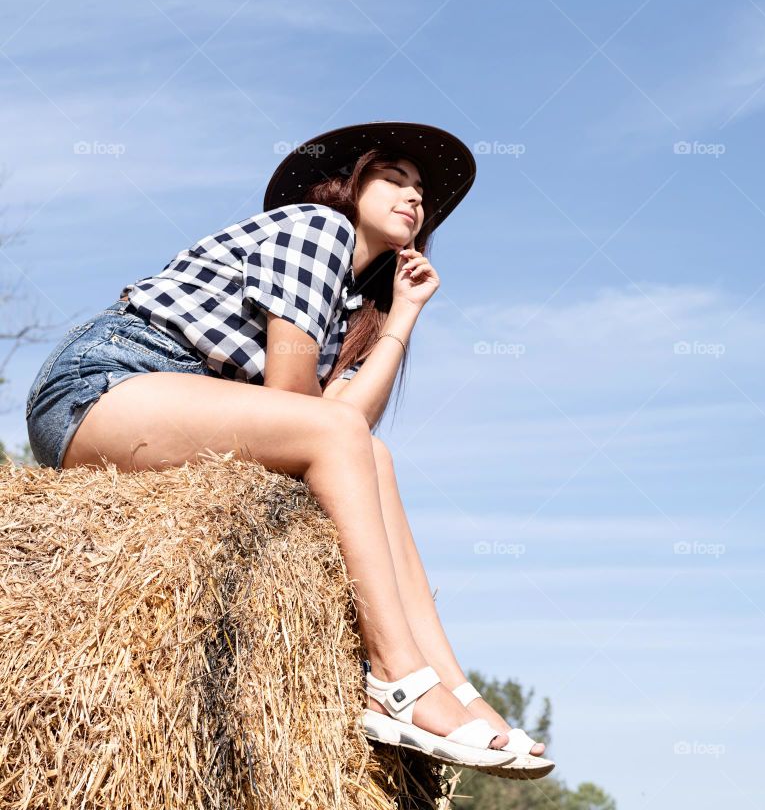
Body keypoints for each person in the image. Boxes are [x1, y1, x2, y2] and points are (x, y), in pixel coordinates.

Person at [23, 121, 552, 777]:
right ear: (346, 186)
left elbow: (346, 430)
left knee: (374, 458)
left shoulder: (351, 303)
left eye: (422, 191)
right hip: (102, 385)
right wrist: (332, 417)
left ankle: (454, 686)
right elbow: (304, 408)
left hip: (168, 405)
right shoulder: (316, 229)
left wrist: (404, 315)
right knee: (341, 439)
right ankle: (395, 678)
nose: (414, 196)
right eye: (394, 177)